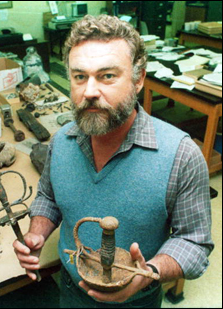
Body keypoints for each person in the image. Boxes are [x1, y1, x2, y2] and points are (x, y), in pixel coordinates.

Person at [13, 15, 214, 308]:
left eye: (107, 76)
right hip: (71, 290)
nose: (90, 91)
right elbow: (48, 196)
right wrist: (36, 233)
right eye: (80, 76)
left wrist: (147, 274)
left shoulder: (181, 155)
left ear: (139, 79)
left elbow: (194, 243)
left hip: (137, 300)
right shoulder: (61, 142)